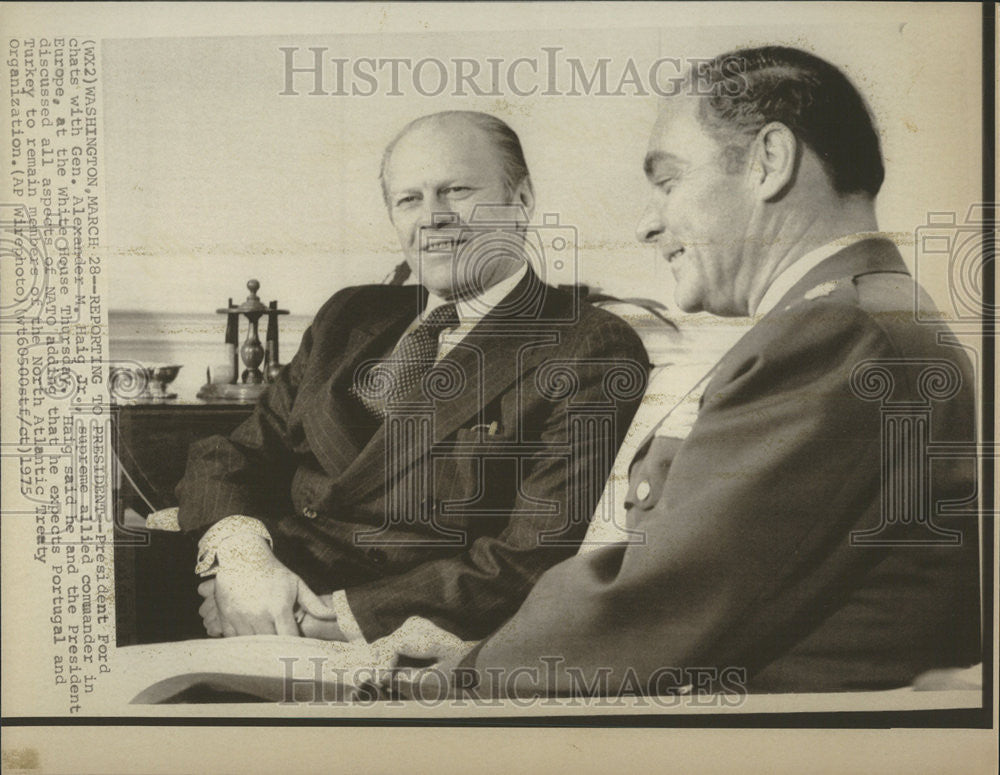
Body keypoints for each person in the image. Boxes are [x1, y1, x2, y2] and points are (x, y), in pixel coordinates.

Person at [436, 47, 981, 697]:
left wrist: (441, 675)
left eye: (667, 182)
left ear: (769, 161)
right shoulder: (868, 311)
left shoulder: (834, 334)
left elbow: (648, 607)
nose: (646, 223)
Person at [177, 110, 649, 646]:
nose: (433, 218)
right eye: (410, 200)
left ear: (522, 201)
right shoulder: (349, 314)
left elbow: (531, 559)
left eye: (457, 190)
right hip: (252, 592)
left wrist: (301, 619)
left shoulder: (588, 345)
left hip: (381, 639)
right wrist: (239, 565)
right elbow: (233, 454)